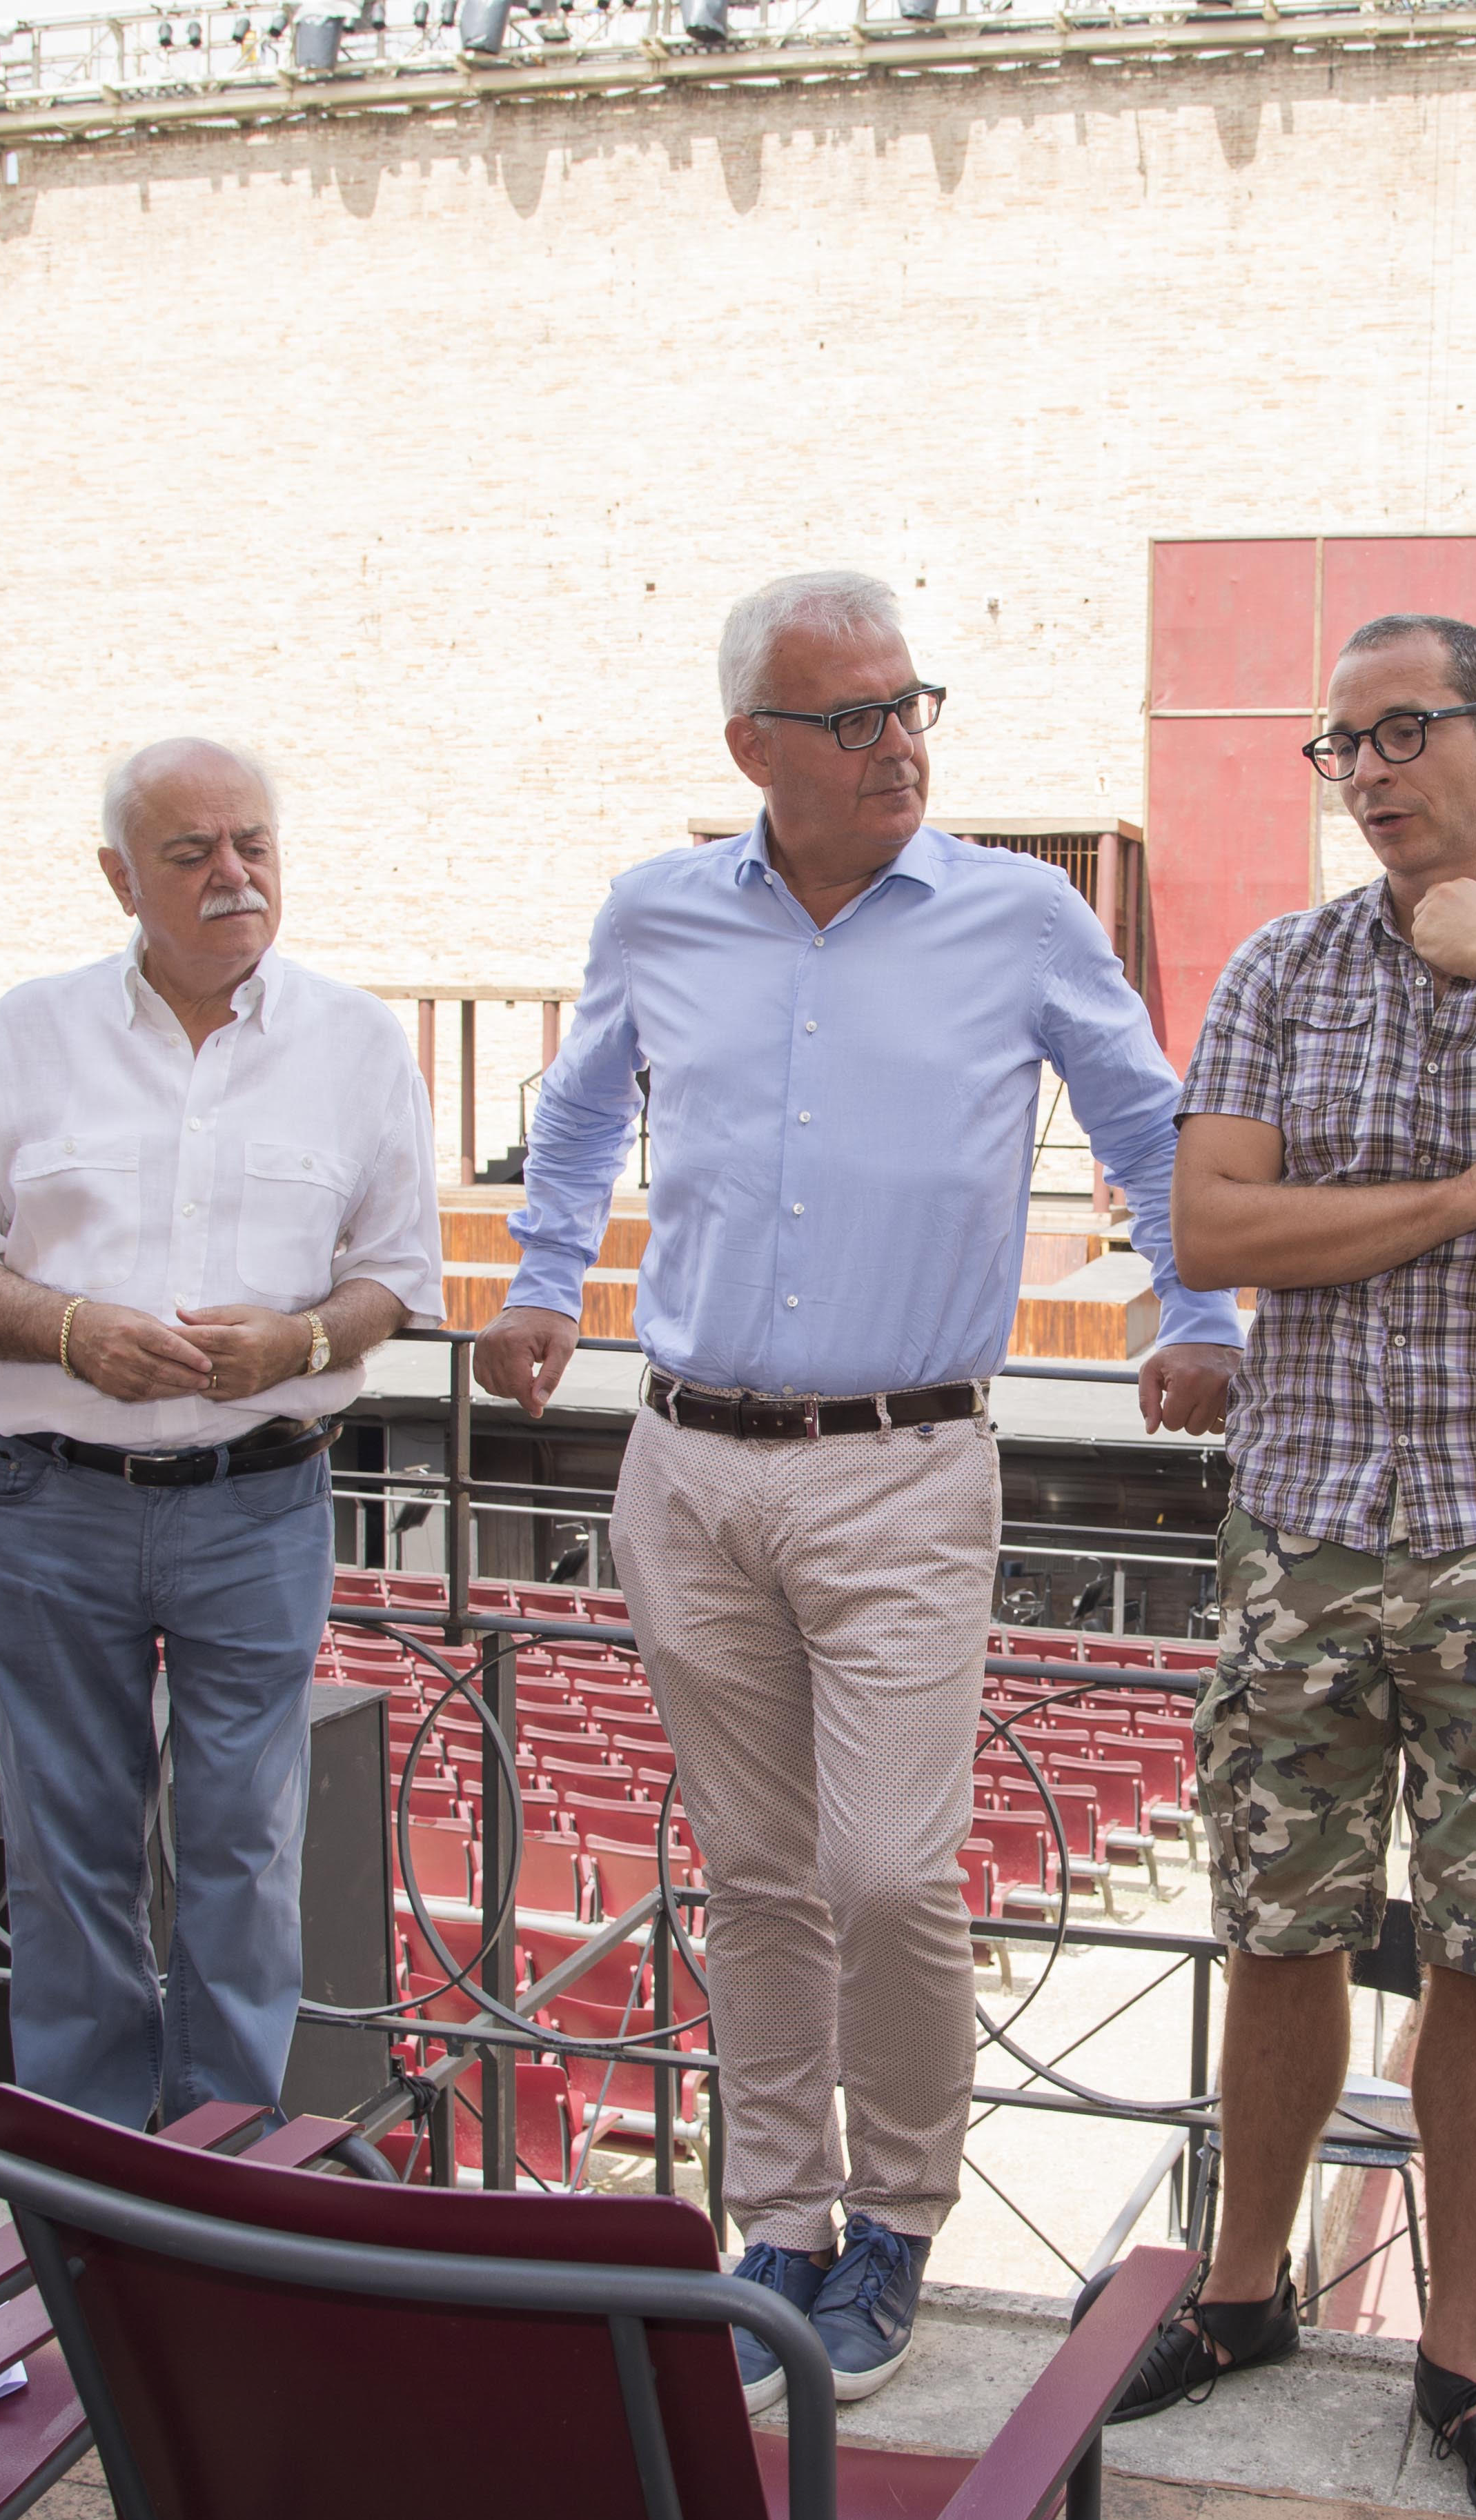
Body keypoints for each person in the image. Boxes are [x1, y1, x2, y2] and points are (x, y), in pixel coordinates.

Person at [478, 568, 1242, 2412]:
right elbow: (580, 1112)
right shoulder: (657, 912)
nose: (898, 743)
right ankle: (783, 2225)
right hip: (685, 1462)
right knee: (753, 1876)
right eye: (853, 718)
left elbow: (1146, 1119)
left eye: (912, 707)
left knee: (891, 1873)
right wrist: (536, 1282)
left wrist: (1198, 1302)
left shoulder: (1020, 915)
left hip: (907, 1460)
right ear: (757, 747)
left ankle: (898, 2214)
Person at [1111, 611, 1476, 2520]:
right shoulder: (1280, 967)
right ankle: (1244, 2289)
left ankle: (1459, 2353)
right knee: (1276, 1923)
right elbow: (1216, 1219)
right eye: (1339, 744)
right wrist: (1459, 1200)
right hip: (1305, 1517)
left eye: (1404, 731)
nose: (1369, 772)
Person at [0, 739, 442, 2129]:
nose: (232, 875)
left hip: (260, 1505)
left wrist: (299, 1342)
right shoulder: (28, 1032)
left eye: (253, 843)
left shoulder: (358, 1043)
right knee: (70, 1856)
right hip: (52, 1501)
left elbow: (398, 1277)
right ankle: (88, 2165)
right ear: (120, 876)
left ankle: (221, 2157)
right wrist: (71, 1330)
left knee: (243, 1852)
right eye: (191, 854)